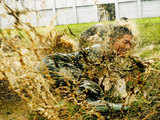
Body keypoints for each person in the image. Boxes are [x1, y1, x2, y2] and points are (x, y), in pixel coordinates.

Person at [40, 23, 146, 112]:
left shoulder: (112, 55)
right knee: (91, 89)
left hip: (57, 67)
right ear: (111, 40)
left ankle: (63, 103)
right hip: (53, 64)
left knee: (88, 87)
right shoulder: (98, 51)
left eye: (130, 44)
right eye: (125, 42)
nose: (128, 47)